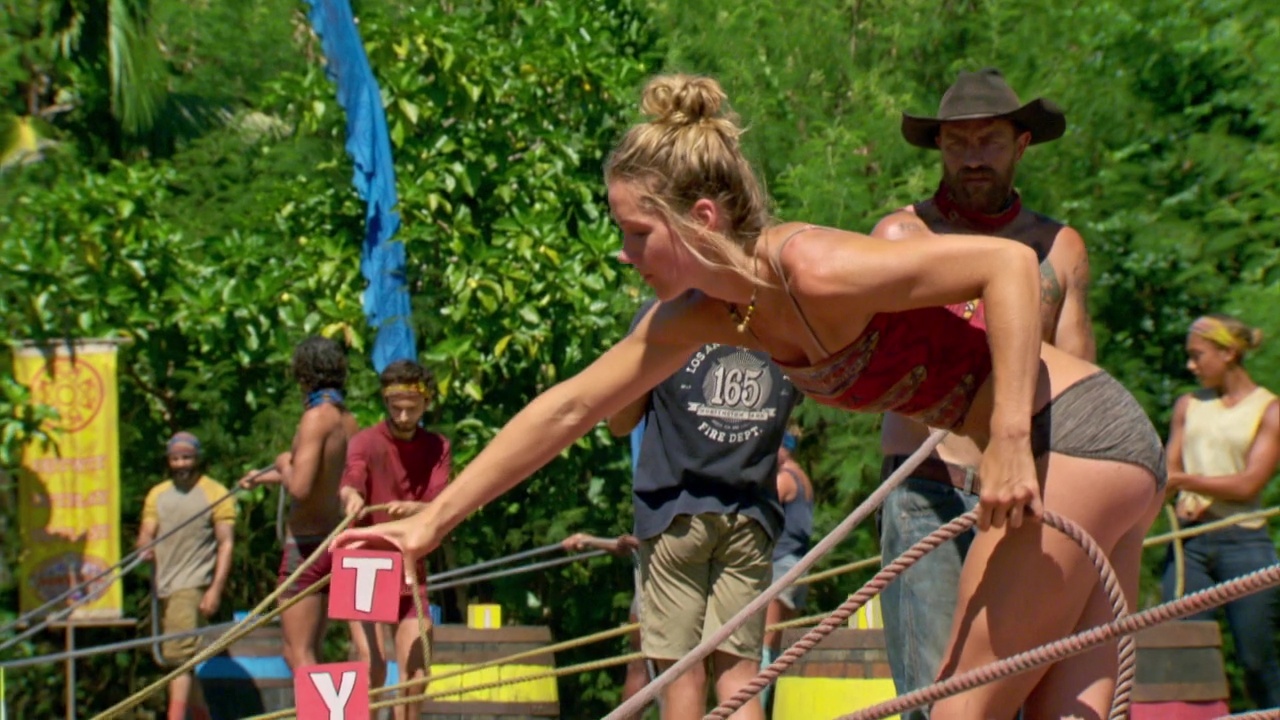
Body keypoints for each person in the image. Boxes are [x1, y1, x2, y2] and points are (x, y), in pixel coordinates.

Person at [333, 73, 1166, 719]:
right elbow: (571, 407)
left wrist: (1010, 441)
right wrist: (436, 521)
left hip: (1071, 438)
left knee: (959, 710)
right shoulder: (704, 318)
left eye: (636, 233)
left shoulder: (811, 266)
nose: (624, 254)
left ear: (700, 217)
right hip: (1112, 449)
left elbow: (1008, 265)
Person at [872, 67, 1097, 715]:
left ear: (1021, 144)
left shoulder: (1059, 249)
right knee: (937, 696)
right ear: (938, 147)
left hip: (1031, 497)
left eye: (989, 140)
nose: (972, 157)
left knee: (1022, 696)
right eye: (956, 142)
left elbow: (1080, 385)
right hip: (930, 491)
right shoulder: (901, 238)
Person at [599, 295, 797, 720]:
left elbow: (619, 420)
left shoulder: (665, 314)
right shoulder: (782, 315)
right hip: (751, 517)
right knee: (740, 677)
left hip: (676, 513)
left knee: (683, 677)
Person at [1161, 314, 1280, 707]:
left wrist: (1184, 481)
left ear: (1228, 353)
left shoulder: (1270, 410)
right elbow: (1167, 470)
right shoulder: (1188, 405)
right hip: (1189, 544)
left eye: (1197, 355)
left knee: (1256, 659)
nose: (1191, 365)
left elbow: (1248, 485)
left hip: (1244, 543)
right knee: (1187, 654)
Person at [338, 359, 451, 720]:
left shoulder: (437, 446)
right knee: (371, 666)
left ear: (426, 403)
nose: (403, 416)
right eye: (396, 407)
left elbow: (443, 501)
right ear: (385, 401)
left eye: (412, 408)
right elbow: (353, 475)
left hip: (409, 563)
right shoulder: (365, 440)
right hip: (364, 561)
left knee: (417, 674)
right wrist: (351, 495)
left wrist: (418, 508)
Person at [240, 336, 358, 671]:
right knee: (314, 651)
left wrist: (282, 463)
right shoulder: (348, 420)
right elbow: (326, 479)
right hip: (335, 541)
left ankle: (315, 704)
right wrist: (262, 477)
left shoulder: (315, 418)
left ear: (303, 375)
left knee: (297, 653)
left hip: (306, 548)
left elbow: (301, 487)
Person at [137, 432, 235, 720]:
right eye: (176, 459)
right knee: (183, 659)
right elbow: (146, 532)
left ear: (197, 459)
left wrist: (215, 589)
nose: (181, 464)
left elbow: (226, 544)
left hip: (192, 583)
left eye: (187, 458)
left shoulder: (215, 492)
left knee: (177, 660)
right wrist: (145, 546)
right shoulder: (158, 494)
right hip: (163, 585)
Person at [761, 432, 812, 712]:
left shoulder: (784, 479)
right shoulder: (803, 478)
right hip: (799, 565)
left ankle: (755, 709)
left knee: (765, 645)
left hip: (781, 564)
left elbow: (762, 511)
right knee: (782, 650)